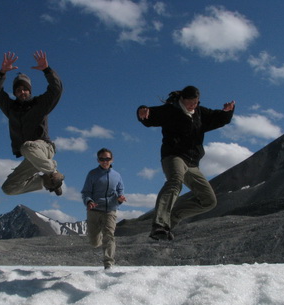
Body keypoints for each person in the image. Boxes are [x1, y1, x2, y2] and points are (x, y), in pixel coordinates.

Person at [137, 85, 235, 241]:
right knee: (175, 181)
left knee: (209, 201)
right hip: (173, 156)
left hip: (192, 163)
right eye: (190, 102)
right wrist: (142, 111)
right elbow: (150, 115)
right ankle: (159, 225)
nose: (193, 106)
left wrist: (228, 111)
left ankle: (171, 219)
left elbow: (219, 118)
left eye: (196, 102)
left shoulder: (200, 113)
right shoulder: (171, 110)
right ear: (182, 99)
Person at [0, 50, 64, 196]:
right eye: (18, 90)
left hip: (44, 147)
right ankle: (47, 181)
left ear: (29, 91)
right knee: (9, 188)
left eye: (25, 89)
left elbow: (57, 89)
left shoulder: (39, 104)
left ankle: (53, 172)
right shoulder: (11, 108)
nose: (22, 92)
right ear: (15, 93)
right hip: (32, 156)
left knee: (27, 146)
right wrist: (2, 73)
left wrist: (47, 70)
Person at [81, 148, 126, 270]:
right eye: (102, 159)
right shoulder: (92, 174)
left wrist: (120, 198)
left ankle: (108, 264)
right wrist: (89, 201)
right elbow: (85, 192)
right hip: (94, 210)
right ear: (98, 160)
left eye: (107, 159)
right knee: (94, 242)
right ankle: (99, 239)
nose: (105, 161)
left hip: (110, 210)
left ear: (112, 160)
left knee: (109, 235)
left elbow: (120, 191)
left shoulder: (117, 175)